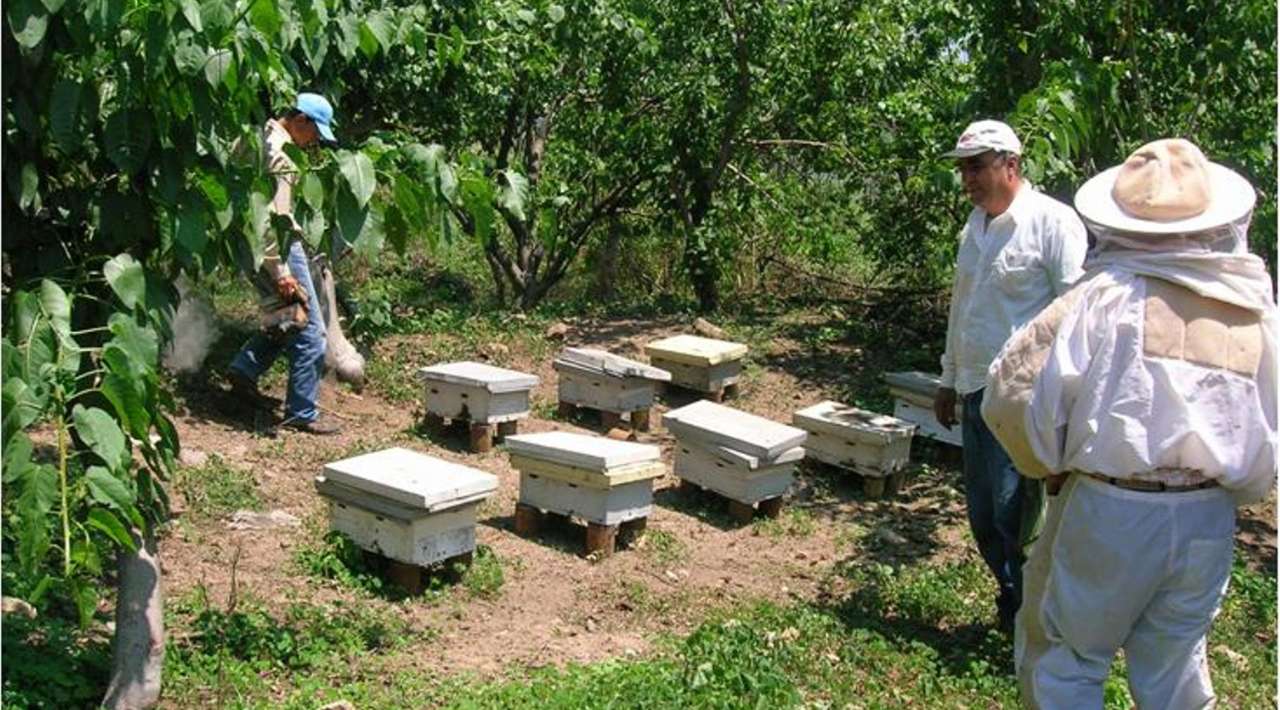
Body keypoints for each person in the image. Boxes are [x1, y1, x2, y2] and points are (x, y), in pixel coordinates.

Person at [982, 138, 1277, 708]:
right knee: (1176, 677)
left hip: (1113, 511)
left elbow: (1014, 394)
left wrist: (1048, 464)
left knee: (1068, 663)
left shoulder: (1103, 299)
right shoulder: (1254, 309)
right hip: (1207, 520)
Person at [934, 120, 1089, 629]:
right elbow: (963, 308)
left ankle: (1032, 616)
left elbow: (1078, 314)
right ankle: (1013, 598)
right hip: (977, 392)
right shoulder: (972, 230)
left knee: (1017, 515)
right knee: (984, 514)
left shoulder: (1052, 223)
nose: (968, 180)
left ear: (1011, 165)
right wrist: (948, 378)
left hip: (1027, 401)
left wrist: (1069, 405)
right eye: (964, 169)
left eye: (977, 167)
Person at [228, 93, 343, 435]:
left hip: (242, 241)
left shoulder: (254, 138)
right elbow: (272, 220)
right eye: (315, 133)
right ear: (300, 120)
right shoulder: (282, 158)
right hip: (275, 246)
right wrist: (281, 272)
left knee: (287, 317)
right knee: (310, 328)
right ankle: (302, 412)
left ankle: (245, 369)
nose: (315, 142)